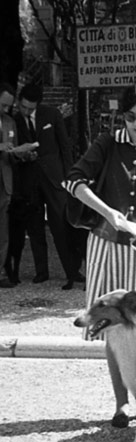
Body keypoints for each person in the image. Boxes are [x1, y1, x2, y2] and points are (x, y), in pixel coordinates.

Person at [62, 82, 136, 429]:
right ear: (122, 116)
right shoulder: (106, 144)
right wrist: (109, 213)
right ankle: (121, 404)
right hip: (106, 244)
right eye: (130, 117)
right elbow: (73, 181)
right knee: (112, 329)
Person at [14, 83, 85, 290]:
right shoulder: (15, 120)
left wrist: (70, 177)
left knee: (62, 226)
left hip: (55, 180)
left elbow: (65, 146)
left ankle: (72, 271)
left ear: (38, 104)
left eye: (30, 108)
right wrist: (24, 156)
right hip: (30, 181)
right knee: (35, 227)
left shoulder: (52, 115)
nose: (26, 111)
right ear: (19, 102)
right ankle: (41, 271)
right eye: (23, 107)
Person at [0, 83, 37, 289]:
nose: (6, 110)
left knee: (3, 232)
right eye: (3, 105)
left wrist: (21, 154)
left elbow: (11, 154)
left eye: (8, 106)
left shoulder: (9, 122)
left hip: (5, 182)